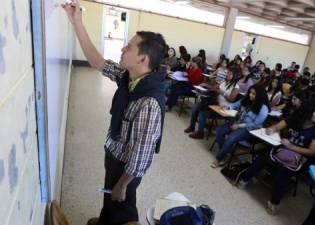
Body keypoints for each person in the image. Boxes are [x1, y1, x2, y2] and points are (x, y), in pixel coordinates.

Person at [63, 2, 166, 225]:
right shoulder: (129, 78)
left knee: (122, 205)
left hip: (125, 168)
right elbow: (97, 61)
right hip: (115, 154)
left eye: (128, 47)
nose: (122, 49)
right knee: (110, 200)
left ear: (143, 59)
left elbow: (141, 157)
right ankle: (104, 220)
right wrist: (77, 23)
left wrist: (122, 184)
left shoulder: (149, 103)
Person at [237, 101, 315, 214]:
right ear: (308, 111)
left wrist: (290, 146)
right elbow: (278, 126)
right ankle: (245, 179)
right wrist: (272, 129)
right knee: (262, 158)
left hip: (298, 159)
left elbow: (311, 152)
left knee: (282, 174)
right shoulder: (296, 119)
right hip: (282, 149)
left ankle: (274, 202)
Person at [211, 84, 270, 168]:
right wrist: (227, 106)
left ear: (260, 95)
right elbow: (234, 105)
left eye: (254, 94)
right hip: (238, 122)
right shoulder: (246, 99)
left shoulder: (263, 108)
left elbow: (255, 124)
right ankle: (225, 153)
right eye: (250, 92)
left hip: (249, 129)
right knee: (219, 130)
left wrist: (239, 126)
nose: (250, 95)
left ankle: (219, 159)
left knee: (231, 137)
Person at [186, 67, 240, 139]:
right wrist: (206, 85)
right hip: (216, 103)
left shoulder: (235, 87)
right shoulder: (224, 82)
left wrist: (220, 92)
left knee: (202, 113)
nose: (227, 75)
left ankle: (200, 133)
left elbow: (231, 99)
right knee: (196, 106)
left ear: (235, 76)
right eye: (227, 73)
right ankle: (192, 126)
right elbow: (214, 88)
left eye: (230, 74)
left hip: (224, 108)